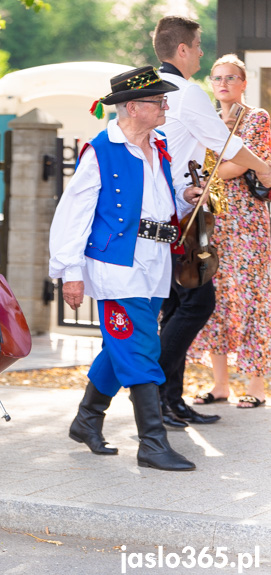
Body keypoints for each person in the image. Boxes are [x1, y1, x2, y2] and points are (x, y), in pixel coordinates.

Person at [52, 66, 201, 471]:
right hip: (116, 264)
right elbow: (74, 215)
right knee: (140, 347)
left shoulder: (160, 145)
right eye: (158, 100)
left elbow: (162, 199)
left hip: (154, 260)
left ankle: (87, 419)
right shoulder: (102, 150)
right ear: (132, 107)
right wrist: (70, 272)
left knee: (122, 344)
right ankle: (152, 444)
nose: (165, 106)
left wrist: (186, 196)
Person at [152, 16, 271, 426]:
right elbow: (222, 147)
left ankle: (169, 399)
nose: (202, 53)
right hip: (181, 216)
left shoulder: (157, 89)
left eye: (229, 76)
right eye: (199, 46)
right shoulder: (186, 92)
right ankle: (156, 395)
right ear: (182, 50)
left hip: (185, 211)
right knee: (197, 303)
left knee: (178, 304)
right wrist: (263, 167)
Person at [189, 54, 271, 409]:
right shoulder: (205, 119)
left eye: (231, 78)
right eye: (217, 78)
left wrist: (206, 178)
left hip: (248, 221)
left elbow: (241, 164)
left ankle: (256, 386)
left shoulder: (258, 119)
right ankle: (219, 384)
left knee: (255, 298)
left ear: (243, 82)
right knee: (217, 300)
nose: (223, 84)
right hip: (214, 219)